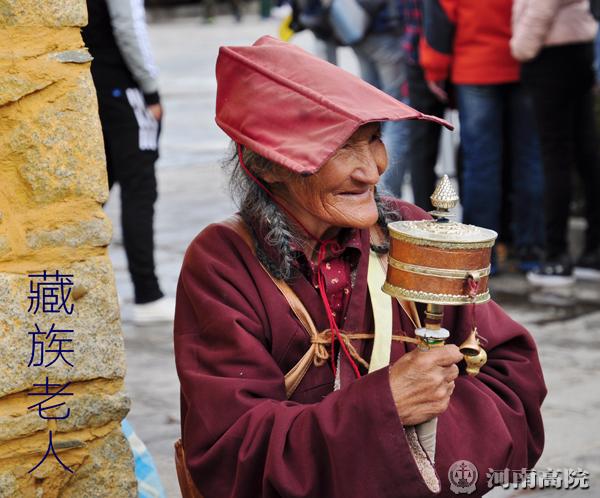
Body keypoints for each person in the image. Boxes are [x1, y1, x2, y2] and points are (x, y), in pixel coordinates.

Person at [174, 36, 546, 497]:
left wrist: (426, 435)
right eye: (340, 148)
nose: (371, 171)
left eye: (373, 140)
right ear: (268, 166)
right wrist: (384, 407)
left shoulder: (409, 231)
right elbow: (232, 452)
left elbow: (514, 377)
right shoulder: (222, 262)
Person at [420, 0, 545, 271]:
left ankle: (481, 254)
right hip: (526, 61)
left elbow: (441, 18)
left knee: (481, 165)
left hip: (475, 65)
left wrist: (435, 68)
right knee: (530, 160)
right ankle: (532, 250)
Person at [82, 0, 174, 323]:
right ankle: (147, 295)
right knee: (139, 188)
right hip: (122, 85)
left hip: (89, 84)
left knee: (94, 187)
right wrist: (151, 90)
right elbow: (128, 26)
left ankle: (81, 283)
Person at [511, 0, 600, 285]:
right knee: (586, 154)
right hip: (575, 48)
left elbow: (542, 6)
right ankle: (593, 252)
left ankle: (556, 257)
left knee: (556, 158)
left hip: (551, 55)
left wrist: (521, 47)